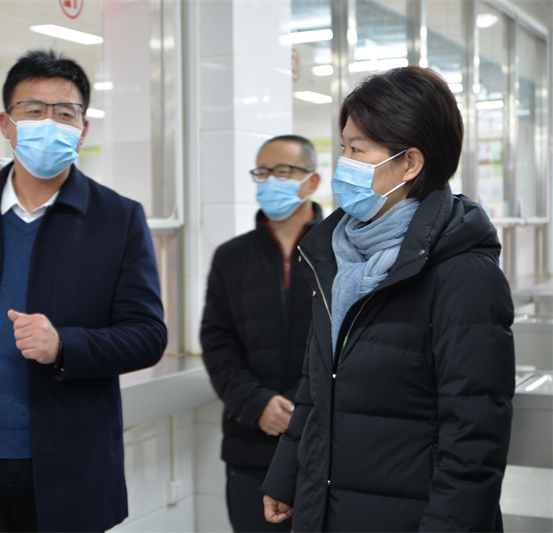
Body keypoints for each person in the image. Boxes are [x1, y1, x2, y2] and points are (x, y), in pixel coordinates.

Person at [0, 49, 167, 533]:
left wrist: (65, 346)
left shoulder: (118, 218)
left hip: (67, 464)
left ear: (83, 129)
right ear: (6, 124)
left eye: (65, 113)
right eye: (33, 110)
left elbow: (148, 335)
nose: (49, 123)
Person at [261, 66, 515, 531]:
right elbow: (318, 385)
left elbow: (473, 437)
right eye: (343, 148)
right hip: (328, 509)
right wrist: (286, 475)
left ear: (410, 163)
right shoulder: (336, 256)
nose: (344, 163)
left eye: (358, 150)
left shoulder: (464, 275)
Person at [201, 135, 322, 532]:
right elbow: (217, 343)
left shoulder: (343, 252)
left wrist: (301, 408)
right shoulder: (231, 257)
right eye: (263, 172)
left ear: (312, 181)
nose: (271, 180)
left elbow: (351, 346)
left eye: (284, 171)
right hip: (251, 445)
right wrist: (256, 405)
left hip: (324, 445)